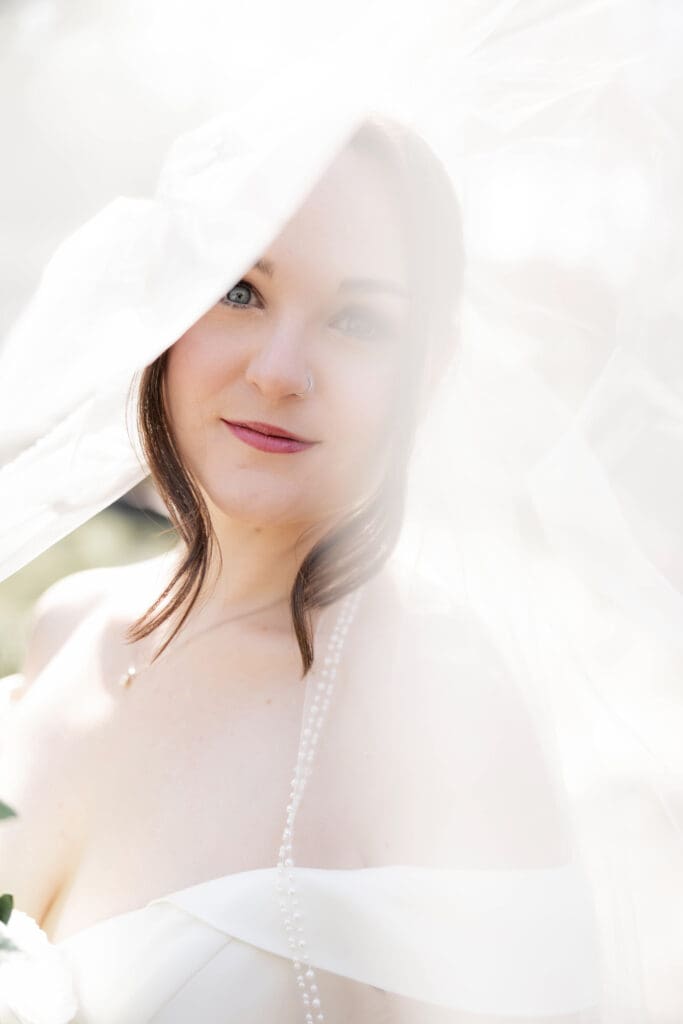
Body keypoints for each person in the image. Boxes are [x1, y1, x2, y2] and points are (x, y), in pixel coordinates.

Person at [0, 97, 602, 1022]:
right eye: (239, 289)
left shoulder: (439, 701)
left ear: (427, 370)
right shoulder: (66, 624)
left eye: (357, 322)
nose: (281, 369)